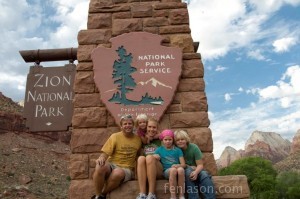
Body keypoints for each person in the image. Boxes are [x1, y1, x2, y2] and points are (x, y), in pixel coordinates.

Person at [92, 114, 142, 199]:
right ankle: (97, 195)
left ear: (133, 125)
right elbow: (105, 153)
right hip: (112, 164)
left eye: (130, 123)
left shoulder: (138, 139)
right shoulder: (115, 136)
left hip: (127, 169)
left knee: (118, 172)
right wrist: (102, 158)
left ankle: (103, 194)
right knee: (100, 166)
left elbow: (138, 157)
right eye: (125, 124)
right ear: (121, 126)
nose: (127, 126)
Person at [174, 130, 216, 199]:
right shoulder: (175, 150)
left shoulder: (194, 148)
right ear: (175, 142)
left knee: (204, 174)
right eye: (178, 140)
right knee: (187, 172)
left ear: (186, 139)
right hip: (184, 173)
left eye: (182, 139)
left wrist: (196, 172)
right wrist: (189, 167)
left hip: (197, 170)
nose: (180, 141)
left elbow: (200, 165)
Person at [154, 130, 186, 199]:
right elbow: (153, 157)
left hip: (177, 169)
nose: (168, 141)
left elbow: (183, 164)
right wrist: (155, 156)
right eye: (165, 139)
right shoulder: (159, 150)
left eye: (170, 139)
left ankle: (181, 195)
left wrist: (179, 165)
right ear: (162, 140)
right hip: (167, 171)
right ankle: (173, 196)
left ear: (172, 140)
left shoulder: (178, 150)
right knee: (173, 170)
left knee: (181, 170)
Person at [136, 118, 163, 199]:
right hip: (145, 169)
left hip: (158, 167)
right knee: (141, 158)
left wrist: (159, 155)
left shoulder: (162, 138)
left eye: (154, 127)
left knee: (149, 157)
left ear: (157, 129)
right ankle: (142, 194)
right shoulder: (143, 140)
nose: (151, 129)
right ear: (146, 128)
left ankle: (151, 194)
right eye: (149, 127)